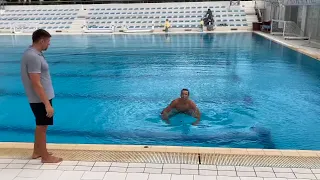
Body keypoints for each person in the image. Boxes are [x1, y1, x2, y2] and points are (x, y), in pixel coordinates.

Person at [20, 29, 63, 163]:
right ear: (41, 40)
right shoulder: (32, 56)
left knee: (40, 125)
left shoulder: (34, 53)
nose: (49, 44)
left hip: (41, 97)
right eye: (48, 41)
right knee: (42, 127)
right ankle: (45, 157)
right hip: (40, 99)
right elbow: (36, 83)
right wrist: (47, 104)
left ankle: (37, 152)